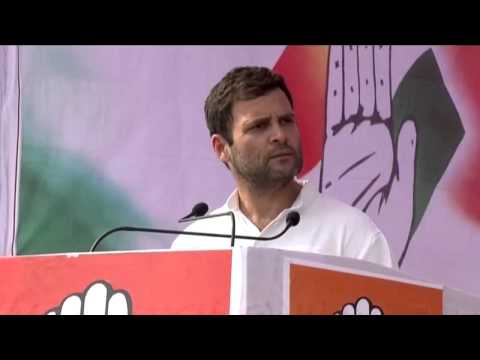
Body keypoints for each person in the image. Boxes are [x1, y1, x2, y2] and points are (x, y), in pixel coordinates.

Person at [171, 66, 393, 268]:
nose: (280, 135)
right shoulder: (195, 244)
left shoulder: (352, 236)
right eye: (259, 126)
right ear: (221, 148)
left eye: (286, 121)